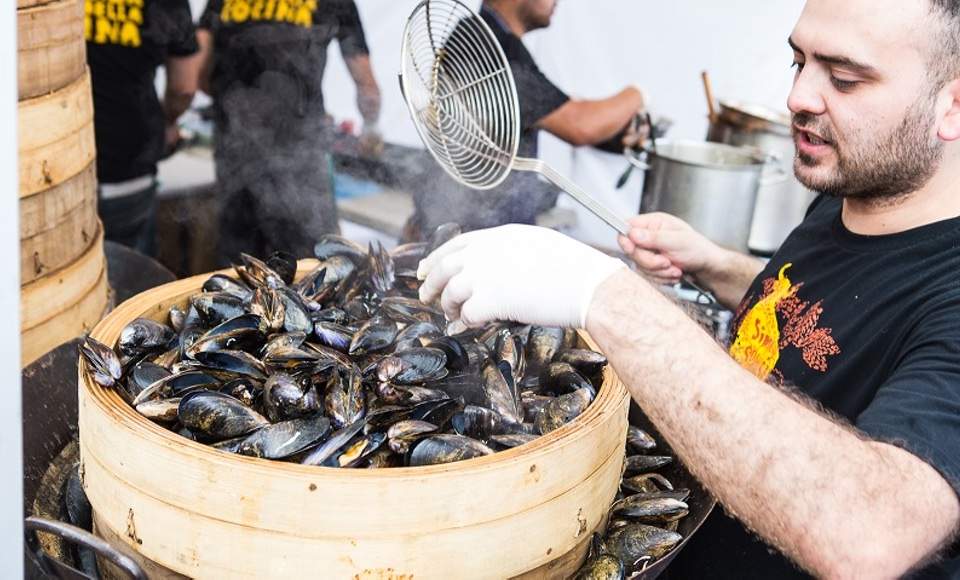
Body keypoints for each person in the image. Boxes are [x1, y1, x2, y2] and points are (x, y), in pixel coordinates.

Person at [417, 0, 960, 577]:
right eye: (798, 62)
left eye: (845, 79)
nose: (798, 97)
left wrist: (607, 296)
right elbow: (826, 323)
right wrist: (716, 265)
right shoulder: (851, 188)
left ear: (952, 104)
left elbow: (872, 537)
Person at [405, 0, 649, 238]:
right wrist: (638, 93)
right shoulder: (495, 51)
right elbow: (580, 125)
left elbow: (549, 112)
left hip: (459, 221)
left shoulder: (475, 33)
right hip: (479, 233)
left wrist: (618, 135)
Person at [196, 0, 382, 261]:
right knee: (311, 265)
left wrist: (231, 101)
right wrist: (371, 129)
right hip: (301, 156)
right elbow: (367, 87)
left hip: (237, 152)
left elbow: (197, 72)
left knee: (239, 266)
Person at [86, 0, 200, 256]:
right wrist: (169, 122)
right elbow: (185, 88)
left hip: (60, 173)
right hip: (130, 169)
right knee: (132, 278)